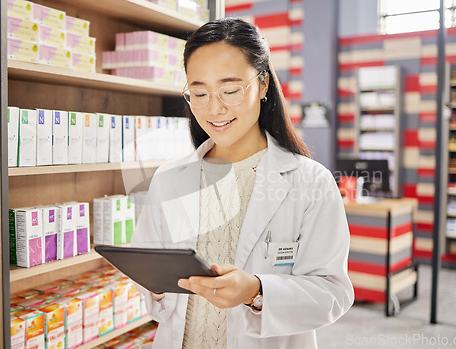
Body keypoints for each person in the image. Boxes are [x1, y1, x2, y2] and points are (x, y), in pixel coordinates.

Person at [131, 17, 354, 349]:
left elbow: (333, 293)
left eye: (230, 90)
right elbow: (151, 287)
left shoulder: (311, 182)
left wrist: (256, 290)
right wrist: (155, 284)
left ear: (263, 85)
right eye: (199, 92)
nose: (214, 108)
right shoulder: (169, 179)